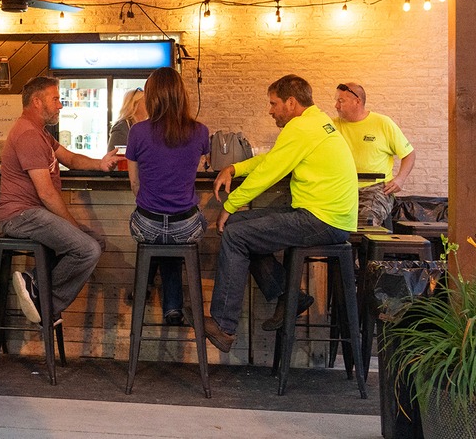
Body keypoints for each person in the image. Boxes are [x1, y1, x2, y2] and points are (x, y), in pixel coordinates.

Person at [204, 74, 357, 353]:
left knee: (236, 233)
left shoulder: (301, 128)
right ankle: (290, 296)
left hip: (323, 219)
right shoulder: (315, 122)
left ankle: (224, 326)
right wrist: (235, 168)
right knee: (240, 227)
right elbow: (273, 158)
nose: (270, 110)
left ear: (291, 102)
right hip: (325, 216)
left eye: (274, 104)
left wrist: (229, 204)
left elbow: (268, 172)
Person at [0, 76, 117, 326]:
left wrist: (100, 163)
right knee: (87, 248)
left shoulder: (41, 134)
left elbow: (71, 159)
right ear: (37, 102)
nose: (60, 105)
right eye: (56, 99)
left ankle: (36, 287)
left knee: (96, 242)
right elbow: (46, 193)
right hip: (21, 216)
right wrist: (73, 226)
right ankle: (46, 301)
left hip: (34, 215)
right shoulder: (28, 135)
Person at [126, 67, 210, 325]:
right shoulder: (200, 131)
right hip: (186, 226)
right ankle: (172, 305)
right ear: (181, 94)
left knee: (159, 236)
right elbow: (197, 170)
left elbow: (134, 183)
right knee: (173, 237)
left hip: (147, 224)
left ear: (151, 96)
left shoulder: (137, 132)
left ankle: (146, 286)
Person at [333, 82, 416, 227]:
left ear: (357, 101)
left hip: (375, 189)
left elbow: (409, 154)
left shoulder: (383, 123)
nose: (336, 106)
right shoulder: (332, 126)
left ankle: (366, 249)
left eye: (341, 101)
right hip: (342, 188)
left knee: (366, 221)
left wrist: (400, 179)